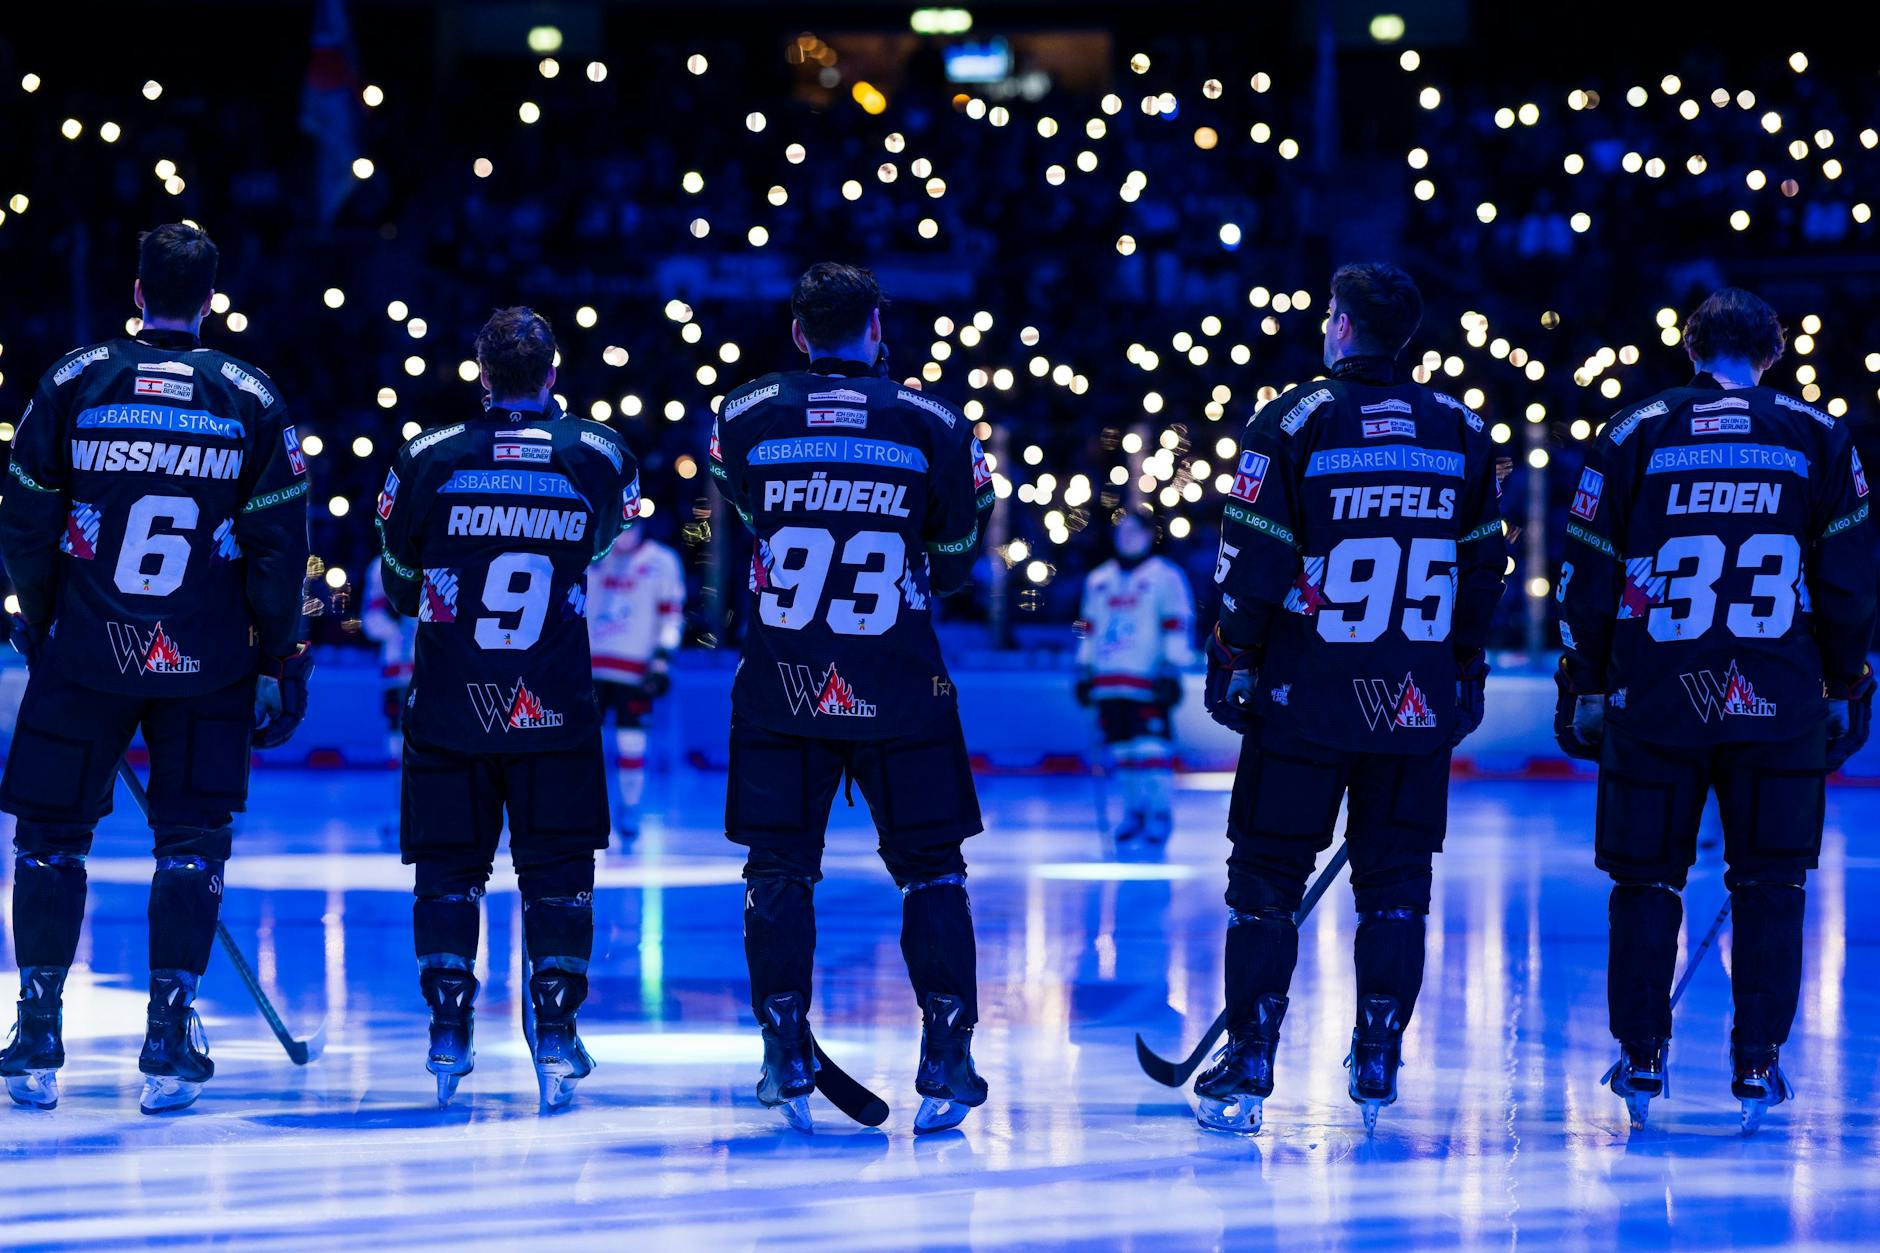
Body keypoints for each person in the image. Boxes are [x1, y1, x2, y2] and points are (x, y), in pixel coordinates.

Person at [0, 223, 312, 1113]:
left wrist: (43, 615)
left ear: (137, 291)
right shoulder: (248, 395)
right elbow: (278, 549)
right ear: (209, 297)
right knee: (191, 844)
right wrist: (283, 652)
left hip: (86, 652)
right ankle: (169, 1040)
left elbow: (23, 521)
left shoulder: (74, 379)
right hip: (206, 658)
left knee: (51, 839)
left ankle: (37, 1035)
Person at [1554, 287, 1875, 1132]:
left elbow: (1587, 572)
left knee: (1645, 879)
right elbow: (1847, 585)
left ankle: (1643, 1053)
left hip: (1656, 696)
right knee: (1772, 883)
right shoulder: (1816, 434)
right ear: (1770, 354)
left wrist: (1583, 679)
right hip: (1778, 698)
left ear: (1690, 348)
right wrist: (1845, 683)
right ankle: (1759, 1062)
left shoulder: (1633, 430)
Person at [1198, 262, 1507, 1134]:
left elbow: (1250, 566)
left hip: (1307, 697)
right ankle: (1378, 1054)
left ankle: (1251, 1058)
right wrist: (1464, 668)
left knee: (1264, 881)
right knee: (1397, 889)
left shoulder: (1294, 418)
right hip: (1414, 701)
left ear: (1339, 325)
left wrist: (1236, 661)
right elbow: (1485, 570)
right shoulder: (1460, 427)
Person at [710, 262, 996, 1133]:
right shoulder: (936, 421)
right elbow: (952, 566)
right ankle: (946, 1052)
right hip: (900, 682)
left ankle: (785, 1046)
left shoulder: (744, 414)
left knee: (776, 871)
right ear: (879, 327)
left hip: (781, 682)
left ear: (798, 332)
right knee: (933, 871)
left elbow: (733, 523)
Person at [374, 306, 639, 1110]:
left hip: (451, 703)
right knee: (559, 873)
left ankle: (450, 1027)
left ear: (480, 374)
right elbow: (599, 544)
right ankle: (555, 1028)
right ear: (553, 374)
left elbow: (399, 580)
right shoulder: (598, 452)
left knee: (449, 869)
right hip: (553, 704)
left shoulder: (426, 457)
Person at [1074, 508, 1196, 849]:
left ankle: (1159, 814)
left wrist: (1171, 667)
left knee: (1151, 750)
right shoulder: (1098, 580)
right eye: (1122, 531)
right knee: (1123, 752)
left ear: (1147, 536)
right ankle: (1134, 812)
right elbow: (1087, 627)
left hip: (1148, 680)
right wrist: (1084, 669)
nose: (1127, 538)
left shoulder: (1165, 576)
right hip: (1108, 680)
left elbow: (1176, 622)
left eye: (1134, 532)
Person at [586, 522, 686, 843]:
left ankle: (629, 810)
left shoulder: (662, 561)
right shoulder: (592, 555)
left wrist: (662, 658)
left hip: (635, 672)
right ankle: (588, 811)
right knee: (585, 745)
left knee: (632, 744)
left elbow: (671, 614)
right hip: (589, 668)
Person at [360, 560, 416, 765]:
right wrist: (393, 624)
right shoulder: (379, 566)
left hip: (430, 653)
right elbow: (371, 617)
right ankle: (396, 754)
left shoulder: (435, 553)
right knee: (396, 707)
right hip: (396, 652)